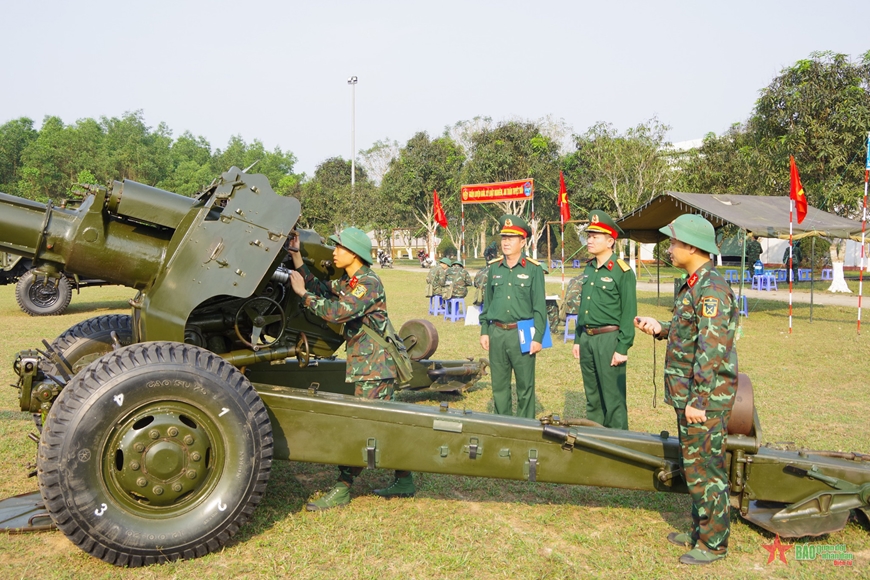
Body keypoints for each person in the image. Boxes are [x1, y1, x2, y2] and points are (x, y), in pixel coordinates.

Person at [634, 214, 738, 566]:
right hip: (689, 395)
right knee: (694, 468)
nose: (671, 248)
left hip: (703, 400)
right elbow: (690, 333)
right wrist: (661, 328)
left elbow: (712, 350)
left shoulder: (712, 290)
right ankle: (699, 531)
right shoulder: (694, 284)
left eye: (675, 242)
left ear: (693, 246)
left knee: (706, 471)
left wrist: (699, 401)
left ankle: (713, 544)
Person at [286, 227, 415, 510]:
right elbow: (322, 287)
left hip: (376, 367)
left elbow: (338, 312)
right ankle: (405, 478)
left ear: (353, 254)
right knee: (384, 423)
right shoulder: (352, 280)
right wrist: (296, 257)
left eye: (339, 248)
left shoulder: (368, 284)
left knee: (362, 425)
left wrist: (303, 295)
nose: (333, 252)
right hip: (370, 364)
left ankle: (343, 487)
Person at [572, 210, 636, 430]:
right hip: (588, 339)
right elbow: (584, 308)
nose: (589, 240)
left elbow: (629, 312)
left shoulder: (622, 271)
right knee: (593, 395)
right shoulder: (589, 267)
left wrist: (623, 347)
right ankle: (596, 440)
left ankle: (619, 444)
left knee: (613, 397)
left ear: (610, 241)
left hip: (609, 339)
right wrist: (578, 339)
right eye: (589, 235)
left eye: (595, 236)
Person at [479, 215, 547, 418]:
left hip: (523, 332)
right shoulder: (494, 268)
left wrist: (538, 338)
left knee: (525, 385)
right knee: (499, 385)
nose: (506, 242)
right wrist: (485, 330)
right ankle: (503, 425)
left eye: (512, 238)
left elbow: (539, 308)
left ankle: (525, 428)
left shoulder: (534, 269)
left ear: (523, 241)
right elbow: (487, 303)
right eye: (504, 237)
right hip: (497, 333)